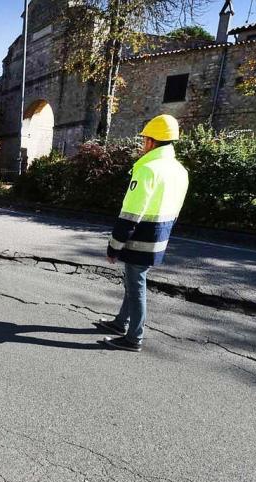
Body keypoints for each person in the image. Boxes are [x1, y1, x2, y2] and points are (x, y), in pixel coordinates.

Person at [97, 114, 189, 352]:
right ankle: (120, 323)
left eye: (144, 139)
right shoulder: (180, 170)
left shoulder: (148, 169)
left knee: (136, 287)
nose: (142, 144)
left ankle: (133, 338)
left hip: (140, 239)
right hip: (160, 237)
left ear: (151, 141)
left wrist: (114, 246)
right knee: (132, 282)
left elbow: (130, 214)